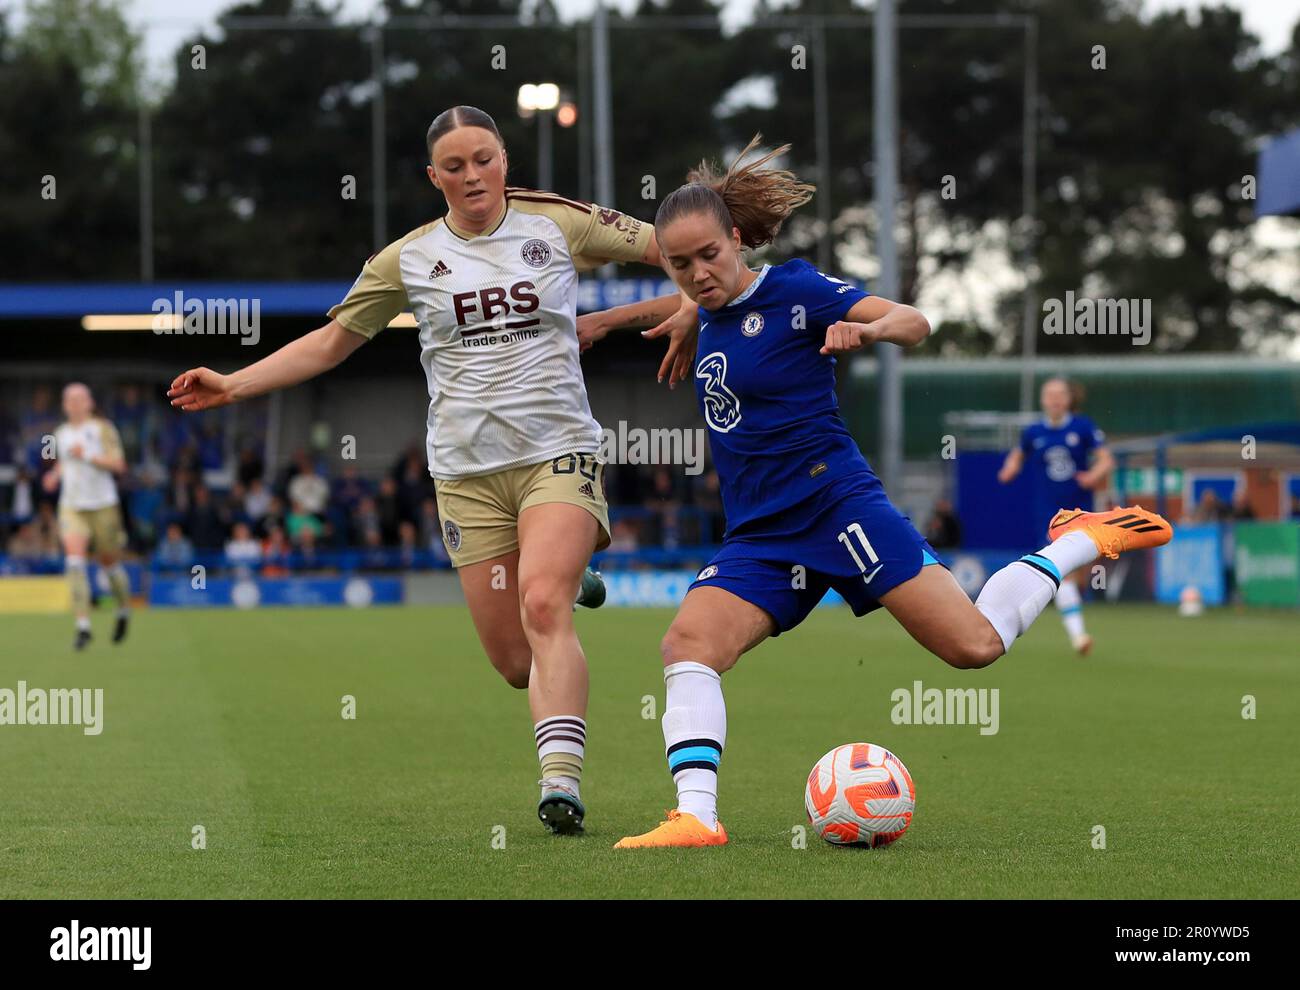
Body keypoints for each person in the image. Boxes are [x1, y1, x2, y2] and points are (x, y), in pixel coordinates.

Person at [578, 136, 1172, 848]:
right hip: (762, 534)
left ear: (736, 239)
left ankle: (1079, 539)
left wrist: (868, 331)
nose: (698, 273)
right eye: (680, 264)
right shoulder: (700, 307)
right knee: (687, 644)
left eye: (709, 255)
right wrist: (612, 322)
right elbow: (683, 304)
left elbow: (916, 321)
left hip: (838, 507)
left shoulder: (795, 290)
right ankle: (697, 817)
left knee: (974, 647)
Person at [167, 104, 698, 835]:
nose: (472, 175)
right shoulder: (407, 259)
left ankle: (560, 781)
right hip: (465, 476)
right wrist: (233, 382)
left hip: (558, 454)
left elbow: (677, 248)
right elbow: (329, 345)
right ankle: (573, 583)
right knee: (516, 663)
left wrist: (678, 309)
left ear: (504, 159)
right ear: (433, 177)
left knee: (541, 605)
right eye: (454, 166)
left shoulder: (558, 223)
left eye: (484, 158)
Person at [997, 378, 1115, 655]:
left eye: (1060, 395)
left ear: (1068, 399)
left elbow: (1107, 459)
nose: (1055, 400)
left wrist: (1093, 475)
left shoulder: (1082, 427)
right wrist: (1009, 469)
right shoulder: (1033, 432)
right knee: (1065, 574)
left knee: (1077, 577)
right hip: (1051, 516)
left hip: (1082, 513)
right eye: (1050, 395)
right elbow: (1017, 456)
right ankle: (1078, 636)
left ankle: (1066, 614)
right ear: (1043, 400)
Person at [42, 383, 132, 649]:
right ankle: (83, 626)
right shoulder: (60, 434)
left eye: (79, 398)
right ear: (64, 404)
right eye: (69, 399)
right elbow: (65, 462)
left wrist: (90, 455)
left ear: (89, 403)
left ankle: (124, 609)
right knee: (74, 562)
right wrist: (54, 475)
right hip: (72, 505)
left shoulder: (102, 429)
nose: (74, 403)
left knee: (109, 563)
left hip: (103, 505)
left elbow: (119, 465)